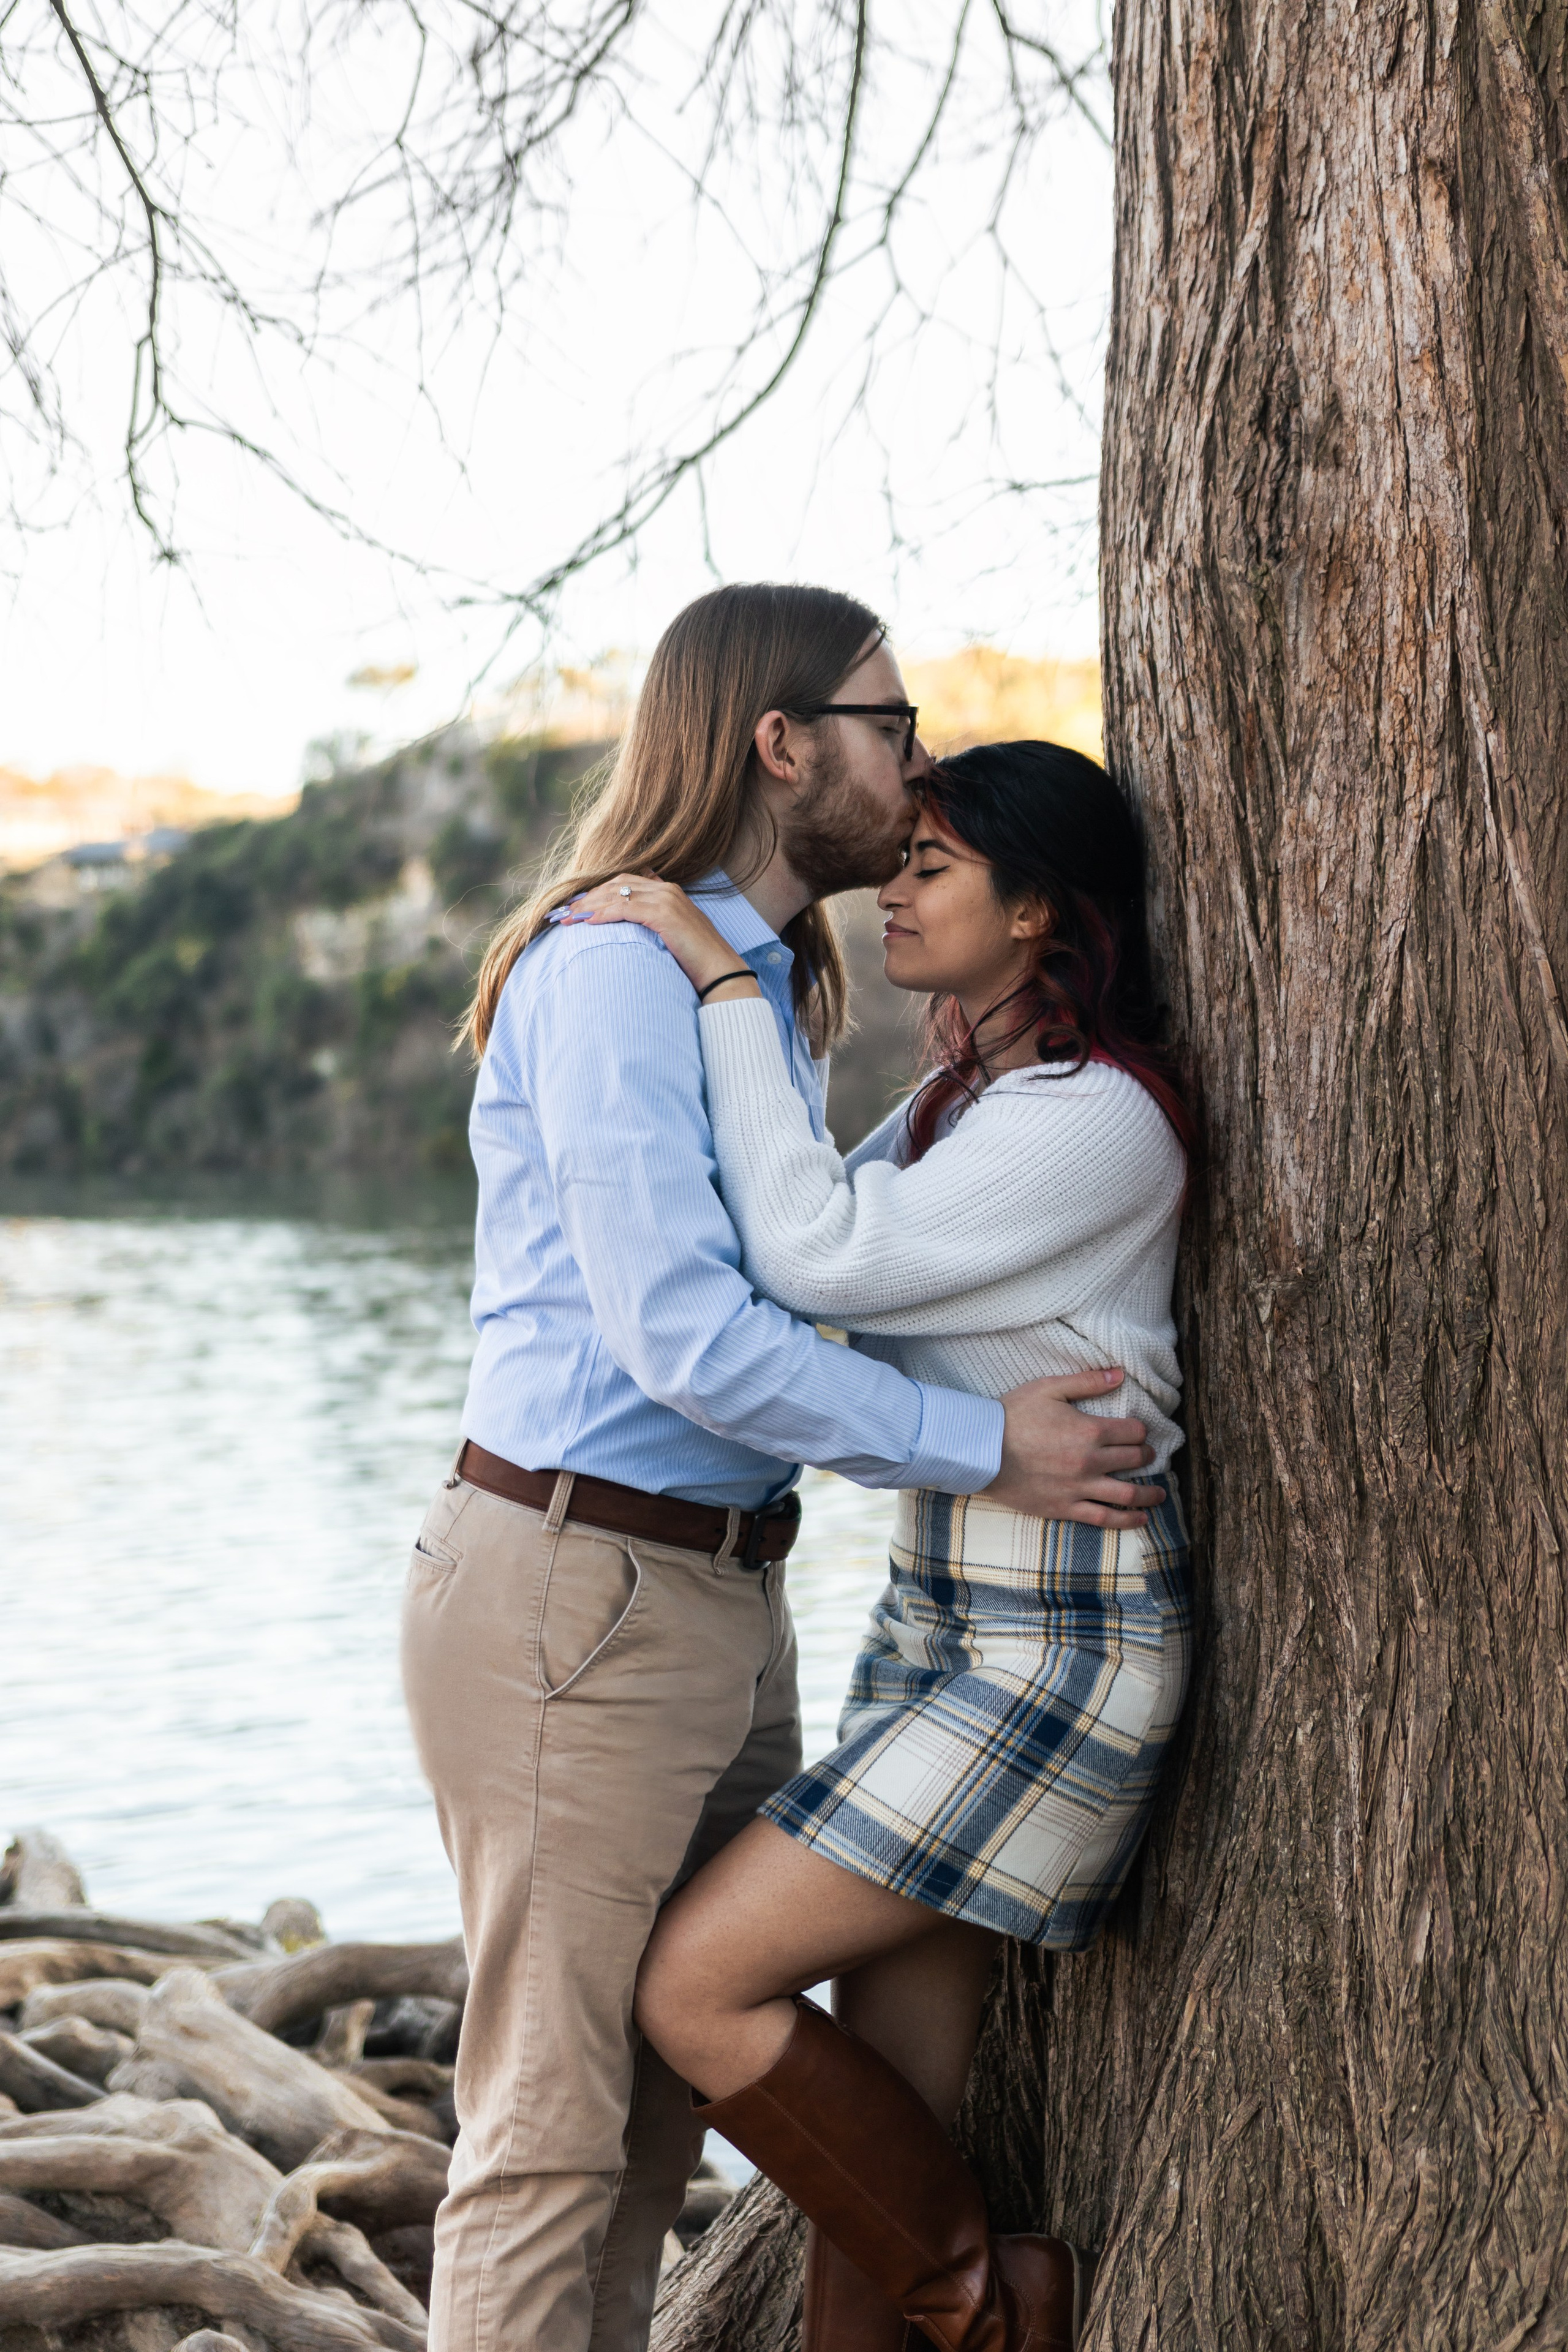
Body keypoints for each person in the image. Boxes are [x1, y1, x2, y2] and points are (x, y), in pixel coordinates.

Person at [400, 590, 1169, 2352]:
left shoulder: (764, 984)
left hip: (715, 1590)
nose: (915, 767)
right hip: (576, 1583)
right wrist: (984, 1445)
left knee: (645, 2132)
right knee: (543, 2137)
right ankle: (988, 2304)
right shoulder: (623, 968)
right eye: (892, 728)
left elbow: (821, 1260)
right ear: (782, 743)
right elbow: (694, 1335)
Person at [567, 737, 1196, 2352]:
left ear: (1038, 909)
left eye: (932, 868)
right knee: (895, 2092)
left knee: (693, 1985)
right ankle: (945, 2311)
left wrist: (726, 982)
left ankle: (995, 2305)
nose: (892, 893)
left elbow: (819, 1258)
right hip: (939, 1617)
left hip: (1062, 1645)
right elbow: (777, 1261)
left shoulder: (1096, 1119)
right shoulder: (954, 1111)